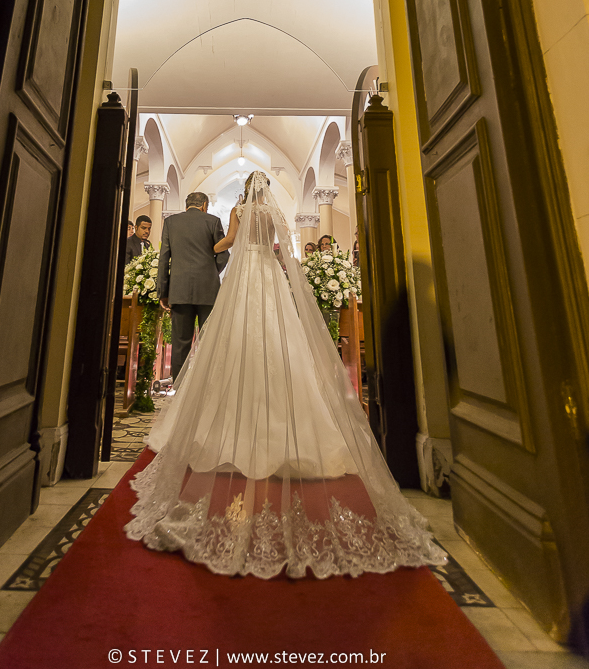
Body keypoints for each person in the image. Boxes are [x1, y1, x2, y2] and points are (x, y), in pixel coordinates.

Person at [126, 171, 445, 580]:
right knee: (279, 340)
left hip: (242, 280)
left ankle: (221, 413)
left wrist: (212, 247)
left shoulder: (239, 210)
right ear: (269, 190)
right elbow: (284, 250)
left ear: (244, 191)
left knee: (229, 341)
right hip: (270, 278)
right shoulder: (274, 212)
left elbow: (229, 244)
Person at [156, 192, 229, 381]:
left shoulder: (171, 223)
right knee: (208, 341)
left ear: (186, 204)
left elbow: (164, 258)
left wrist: (163, 291)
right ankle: (206, 384)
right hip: (208, 290)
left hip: (179, 290)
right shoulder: (213, 221)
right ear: (205, 205)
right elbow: (223, 255)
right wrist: (211, 272)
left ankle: (179, 387)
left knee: (180, 342)